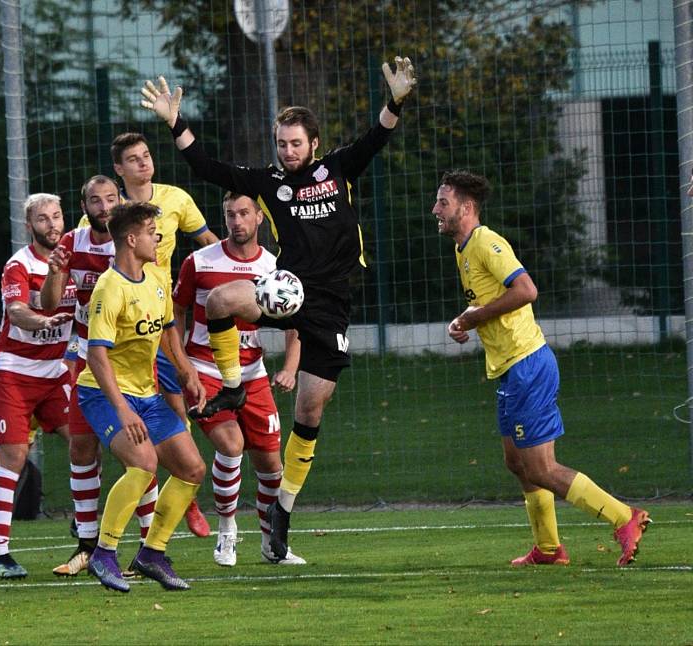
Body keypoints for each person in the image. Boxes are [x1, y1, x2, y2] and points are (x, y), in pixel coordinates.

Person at [139, 55, 417, 561]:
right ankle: (232, 387)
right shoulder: (269, 181)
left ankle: (283, 508)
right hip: (288, 289)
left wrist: (395, 99)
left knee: (309, 412)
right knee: (222, 300)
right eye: (281, 144)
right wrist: (175, 121)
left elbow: (378, 137)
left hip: (332, 305)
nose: (287, 152)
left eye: (295, 143)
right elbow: (207, 167)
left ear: (313, 142)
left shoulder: (337, 169)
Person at [433, 169, 651, 567]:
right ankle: (549, 548)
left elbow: (526, 290)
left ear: (465, 208)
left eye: (443, 203)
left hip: (527, 364)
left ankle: (626, 517)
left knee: (542, 468)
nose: (436, 210)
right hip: (508, 368)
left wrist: (476, 316)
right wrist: (465, 319)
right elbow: (485, 302)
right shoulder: (463, 249)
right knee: (516, 462)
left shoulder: (486, 242)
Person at [81, 132, 220, 537]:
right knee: (107, 446)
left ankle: (181, 501)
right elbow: (81, 254)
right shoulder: (112, 215)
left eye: (147, 155)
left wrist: (245, 271)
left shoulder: (174, 199)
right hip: (121, 322)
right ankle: (95, 535)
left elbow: (207, 244)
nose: (143, 162)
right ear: (119, 169)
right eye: (133, 158)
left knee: (177, 418)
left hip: (160, 314)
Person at [77, 201, 207, 593]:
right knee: (144, 462)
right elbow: (96, 355)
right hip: (103, 393)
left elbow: (168, 332)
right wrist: (122, 409)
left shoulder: (155, 279)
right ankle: (104, 552)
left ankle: (152, 553)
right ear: (131, 240)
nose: (159, 237)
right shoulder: (109, 288)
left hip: (145, 394)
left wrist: (187, 373)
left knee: (192, 469)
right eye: (152, 232)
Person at [42, 175, 165, 576]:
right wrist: (55, 273)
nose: (104, 206)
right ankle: (87, 545)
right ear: (84, 205)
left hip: (131, 362)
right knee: (81, 449)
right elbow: (48, 303)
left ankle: (148, 545)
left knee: (143, 452)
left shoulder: (137, 243)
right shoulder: (72, 243)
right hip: (86, 359)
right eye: (95, 200)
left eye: (111, 198)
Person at [173, 192, 305, 566]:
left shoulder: (273, 266)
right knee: (230, 446)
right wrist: (183, 365)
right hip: (207, 373)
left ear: (260, 217)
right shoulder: (199, 262)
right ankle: (227, 532)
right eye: (229, 213)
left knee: (271, 465)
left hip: (254, 375)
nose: (236, 221)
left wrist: (290, 367)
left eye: (244, 213)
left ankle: (271, 544)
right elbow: (176, 313)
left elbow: (295, 321)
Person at [0, 193, 75, 578]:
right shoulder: (18, 265)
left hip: (55, 372)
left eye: (56, 217)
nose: (52, 224)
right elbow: (18, 310)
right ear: (29, 226)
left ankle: (83, 523)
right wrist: (41, 321)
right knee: (14, 458)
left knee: (84, 442)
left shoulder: (77, 257)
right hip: (15, 373)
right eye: (42, 219)